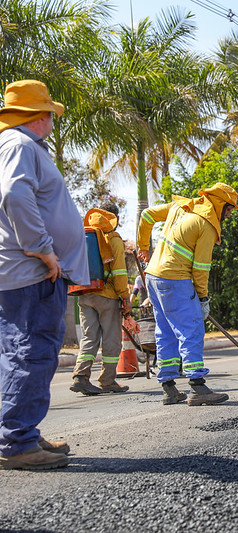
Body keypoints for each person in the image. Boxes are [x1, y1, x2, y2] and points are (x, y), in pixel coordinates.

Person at [0, 80, 89, 470]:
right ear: (40, 116)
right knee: (32, 351)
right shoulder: (19, 145)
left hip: (25, 271)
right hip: (33, 270)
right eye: (50, 112)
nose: (53, 119)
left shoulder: (16, 146)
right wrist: (44, 250)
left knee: (18, 352)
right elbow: (15, 196)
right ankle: (17, 442)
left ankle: (22, 432)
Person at [137, 182, 238, 406]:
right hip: (175, 279)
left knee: (165, 332)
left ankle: (169, 388)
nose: (230, 213)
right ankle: (197, 386)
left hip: (153, 278)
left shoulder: (181, 206)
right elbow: (201, 268)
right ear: (220, 204)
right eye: (229, 208)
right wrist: (203, 298)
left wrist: (143, 246)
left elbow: (146, 215)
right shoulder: (207, 224)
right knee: (191, 330)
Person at [70, 204, 140, 395]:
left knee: (88, 337)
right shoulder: (113, 240)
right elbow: (119, 274)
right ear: (114, 219)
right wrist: (125, 298)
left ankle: (80, 377)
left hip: (84, 294)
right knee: (112, 340)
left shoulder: (83, 237)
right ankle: (107, 381)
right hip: (107, 297)